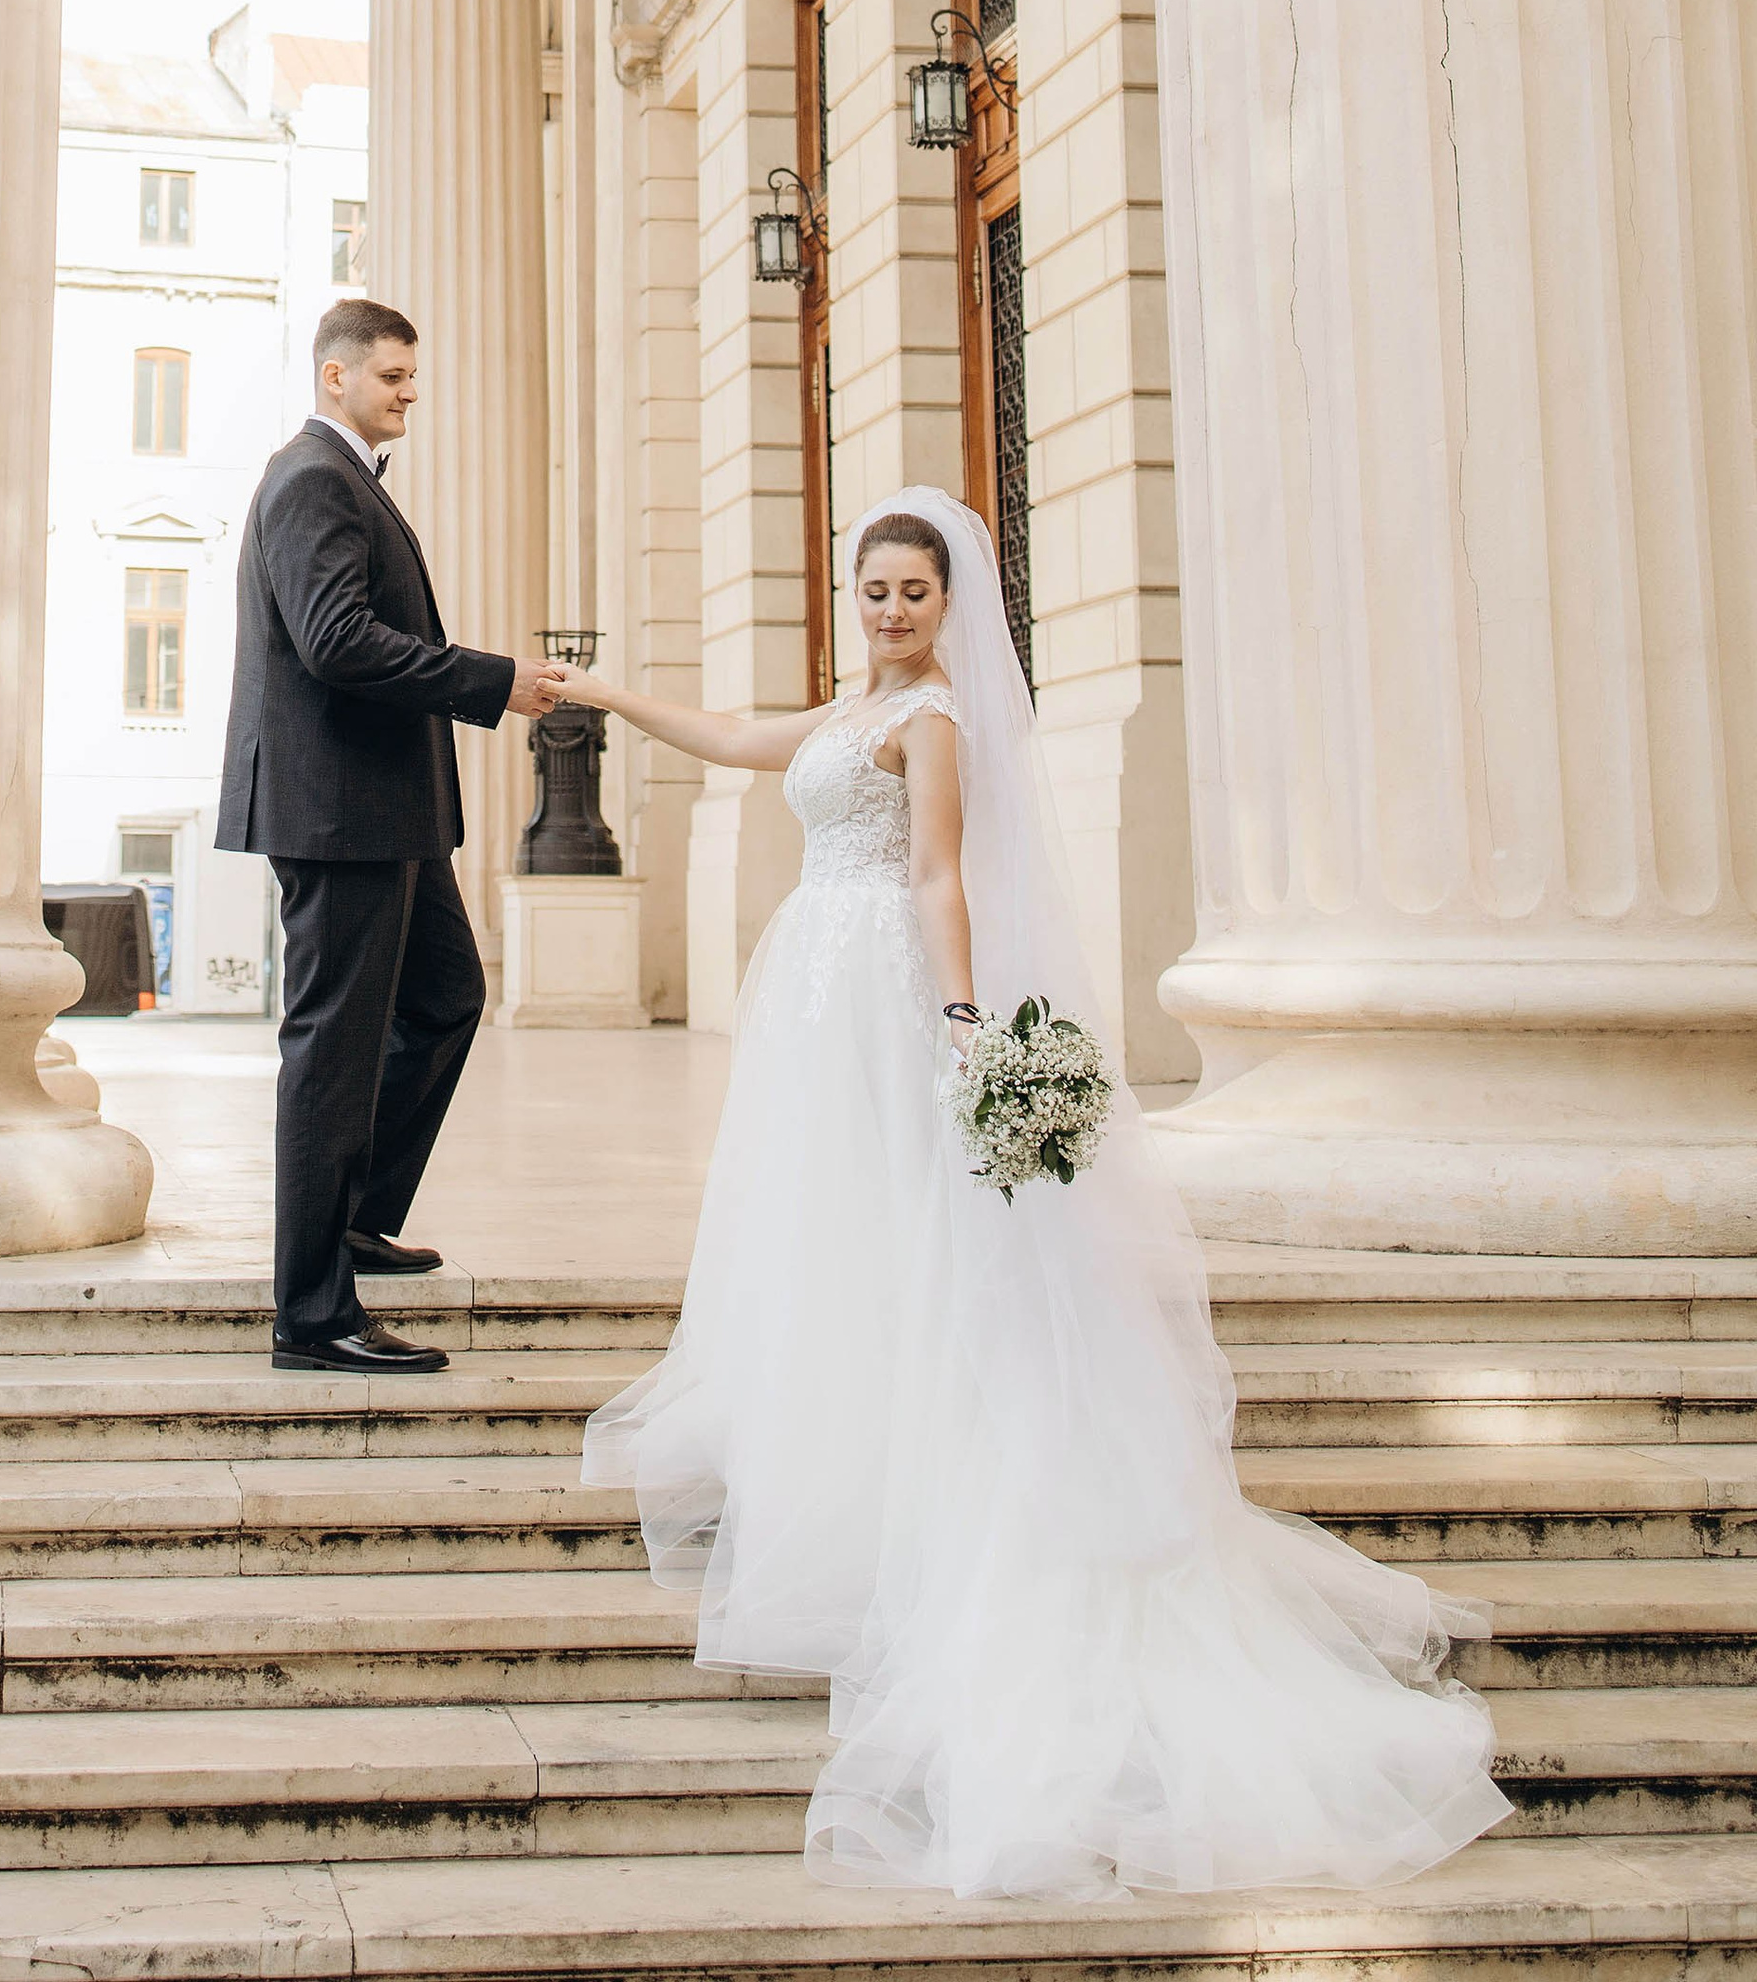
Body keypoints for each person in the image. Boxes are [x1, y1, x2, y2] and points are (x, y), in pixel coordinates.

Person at [556, 490, 1507, 1900]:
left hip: (884, 988)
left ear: (950, 606)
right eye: (873, 587)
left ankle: (920, 1482)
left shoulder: (931, 718)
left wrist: (957, 1015)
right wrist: (611, 695)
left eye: (913, 592)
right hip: (811, 1000)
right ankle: (850, 1450)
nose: (890, 608)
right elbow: (747, 741)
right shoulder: (843, 708)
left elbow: (940, 871)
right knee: (837, 1239)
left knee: (910, 1236)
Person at [216, 296, 555, 1375]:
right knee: (332, 1048)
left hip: (388, 813)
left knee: (446, 994)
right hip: (338, 813)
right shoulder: (314, 477)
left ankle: (355, 1214)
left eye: (412, 374)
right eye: (394, 375)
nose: (411, 391)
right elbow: (336, 641)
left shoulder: (343, 477)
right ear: (336, 376)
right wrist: (489, 682)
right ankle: (311, 1310)